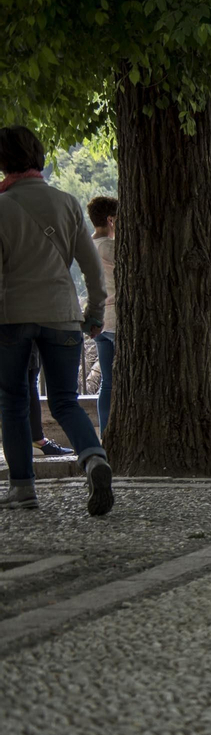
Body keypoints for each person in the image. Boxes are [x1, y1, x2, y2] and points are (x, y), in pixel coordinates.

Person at [0, 124, 114, 514]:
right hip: (63, 316)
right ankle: (94, 458)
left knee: (13, 401)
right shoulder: (67, 203)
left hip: (11, 318)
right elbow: (92, 269)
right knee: (65, 400)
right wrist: (94, 312)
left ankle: (23, 488)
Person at [86, 195, 118, 433]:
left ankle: (106, 433)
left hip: (99, 320)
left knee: (107, 383)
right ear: (111, 220)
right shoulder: (113, 247)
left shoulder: (88, 246)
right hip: (117, 318)